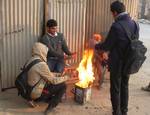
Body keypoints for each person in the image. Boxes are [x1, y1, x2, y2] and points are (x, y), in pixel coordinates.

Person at [95, 1, 139, 115]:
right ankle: (124, 111)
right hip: (129, 61)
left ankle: (116, 112)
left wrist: (95, 45)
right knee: (124, 86)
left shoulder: (116, 26)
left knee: (115, 88)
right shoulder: (135, 23)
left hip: (117, 63)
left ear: (114, 12)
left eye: (112, 13)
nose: (112, 16)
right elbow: (134, 42)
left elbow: (106, 46)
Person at [26, 42, 70, 113]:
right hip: (36, 94)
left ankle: (38, 98)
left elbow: (46, 74)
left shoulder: (31, 60)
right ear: (41, 51)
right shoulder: (41, 64)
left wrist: (58, 74)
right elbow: (54, 81)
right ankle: (50, 107)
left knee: (50, 82)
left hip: (28, 92)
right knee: (63, 85)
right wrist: (67, 77)